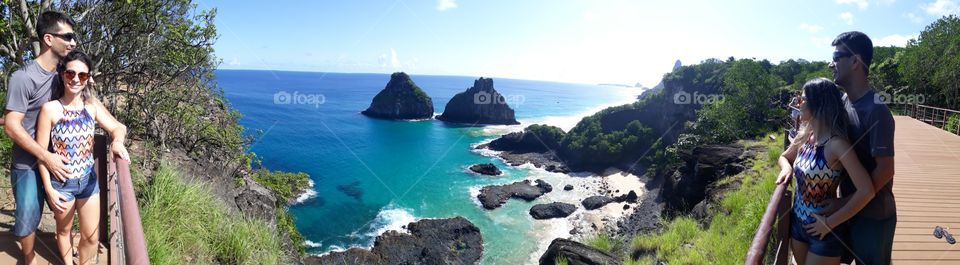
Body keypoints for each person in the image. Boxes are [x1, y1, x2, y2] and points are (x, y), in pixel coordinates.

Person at [36, 50, 129, 265]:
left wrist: (117, 142)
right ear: (62, 75)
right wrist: (49, 189)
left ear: (88, 79)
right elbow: (41, 154)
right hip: (61, 184)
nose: (76, 79)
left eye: (82, 75)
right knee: (64, 231)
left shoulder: (92, 106)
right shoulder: (50, 109)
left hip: (88, 182)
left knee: (91, 236)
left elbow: (118, 127)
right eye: (70, 73)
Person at [776, 78, 876, 265]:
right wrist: (787, 168)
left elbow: (866, 190)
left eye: (803, 99)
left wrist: (830, 223)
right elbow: (784, 157)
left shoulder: (837, 144)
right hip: (798, 225)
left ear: (818, 103)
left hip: (825, 231)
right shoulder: (805, 135)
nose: (798, 103)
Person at [3, 10, 76, 265]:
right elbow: (12, 126)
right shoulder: (23, 78)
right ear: (48, 39)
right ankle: (29, 258)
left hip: (57, 161)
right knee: (28, 216)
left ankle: (65, 251)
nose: (73, 42)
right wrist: (46, 156)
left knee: (64, 210)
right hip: (28, 163)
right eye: (67, 36)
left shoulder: (63, 76)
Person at [826, 31, 898, 265]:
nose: (831, 64)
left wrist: (844, 203)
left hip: (874, 217)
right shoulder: (845, 102)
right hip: (851, 210)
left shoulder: (876, 110)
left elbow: (886, 170)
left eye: (836, 57)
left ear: (855, 61)